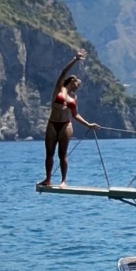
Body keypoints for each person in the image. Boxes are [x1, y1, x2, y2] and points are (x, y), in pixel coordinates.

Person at [41, 52, 100, 187]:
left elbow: (75, 115)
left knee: (63, 154)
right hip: (53, 123)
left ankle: (63, 181)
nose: (78, 86)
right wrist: (75, 60)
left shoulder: (74, 98)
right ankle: (48, 179)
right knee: (49, 153)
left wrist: (88, 125)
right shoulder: (59, 89)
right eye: (77, 84)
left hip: (66, 125)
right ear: (72, 81)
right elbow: (63, 72)